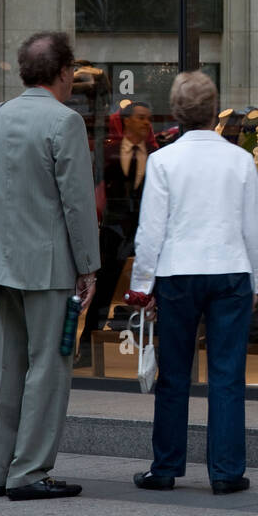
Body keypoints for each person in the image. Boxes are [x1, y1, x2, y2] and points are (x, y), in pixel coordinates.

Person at [0, 31, 101, 500]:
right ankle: (29, 473)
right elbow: (77, 203)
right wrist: (89, 267)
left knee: (8, 368)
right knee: (48, 367)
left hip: (2, 262)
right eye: (73, 72)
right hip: (49, 265)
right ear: (65, 72)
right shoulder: (64, 122)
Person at [128, 71, 258, 495]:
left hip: (178, 271)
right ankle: (225, 472)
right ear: (213, 109)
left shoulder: (163, 160)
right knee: (227, 376)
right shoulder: (240, 159)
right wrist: (255, 282)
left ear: (177, 111)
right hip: (230, 269)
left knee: (174, 374)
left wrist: (140, 285)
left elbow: (151, 231)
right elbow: (254, 229)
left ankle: (165, 467)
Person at [76, 99, 156, 367]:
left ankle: (157, 353)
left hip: (144, 231)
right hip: (114, 231)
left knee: (154, 292)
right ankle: (86, 351)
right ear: (128, 121)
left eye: (148, 118)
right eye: (141, 117)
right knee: (103, 290)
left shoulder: (155, 154)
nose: (146, 123)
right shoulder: (108, 150)